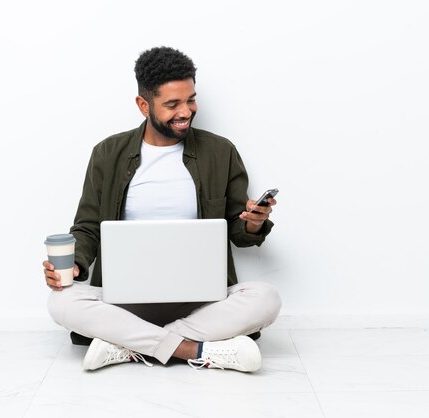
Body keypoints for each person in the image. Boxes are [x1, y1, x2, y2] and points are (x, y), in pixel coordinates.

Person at [43, 46, 281, 372]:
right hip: (126, 303)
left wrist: (253, 224)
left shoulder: (220, 151)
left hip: (201, 302)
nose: (186, 111)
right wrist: (75, 266)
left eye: (191, 100)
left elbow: (238, 231)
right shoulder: (108, 153)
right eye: (172, 104)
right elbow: (87, 227)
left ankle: (128, 346)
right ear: (144, 105)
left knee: (266, 298)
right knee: (61, 301)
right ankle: (194, 349)